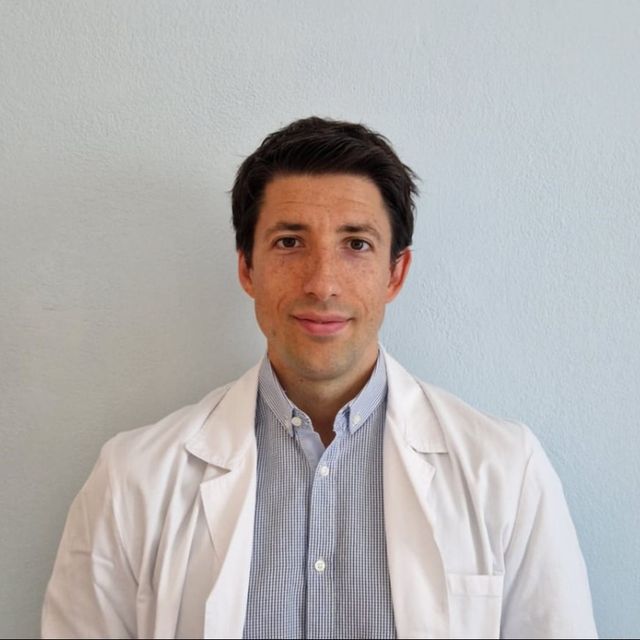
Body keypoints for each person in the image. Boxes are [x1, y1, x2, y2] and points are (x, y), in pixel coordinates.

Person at [42, 117, 597, 639]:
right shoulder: (134, 478)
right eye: (289, 242)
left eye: (356, 244)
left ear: (395, 273)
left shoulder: (506, 471)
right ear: (247, 268)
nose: (322, 283)